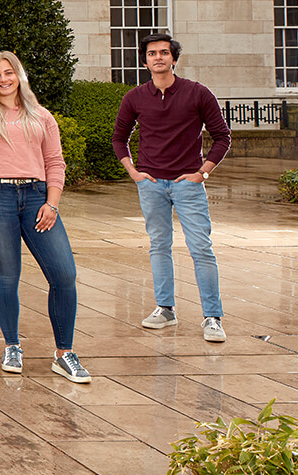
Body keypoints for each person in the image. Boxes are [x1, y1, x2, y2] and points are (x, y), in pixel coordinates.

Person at [0, 52, 90, 384]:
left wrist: (52, 203)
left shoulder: (42, 116)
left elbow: (55, 163)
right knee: (6, 276)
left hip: (36, 198)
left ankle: (64, 353)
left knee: (64, 274)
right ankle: (12, 345)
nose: (3, 80)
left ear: (20, 76)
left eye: (9, 73)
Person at [113, 33, 232, 343]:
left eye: (164, 53)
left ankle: (212, 317)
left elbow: (222, 136)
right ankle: (165, 309)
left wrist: (203, 173)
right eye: (152, 53)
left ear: (174, 59)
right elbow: (118, 138)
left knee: (201, 249)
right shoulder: (135, 97)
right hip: (150, 184)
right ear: (145, 61)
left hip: (187, 184)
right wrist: (134, 173)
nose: (158, 58)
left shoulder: (197, 93)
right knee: (159, 246)